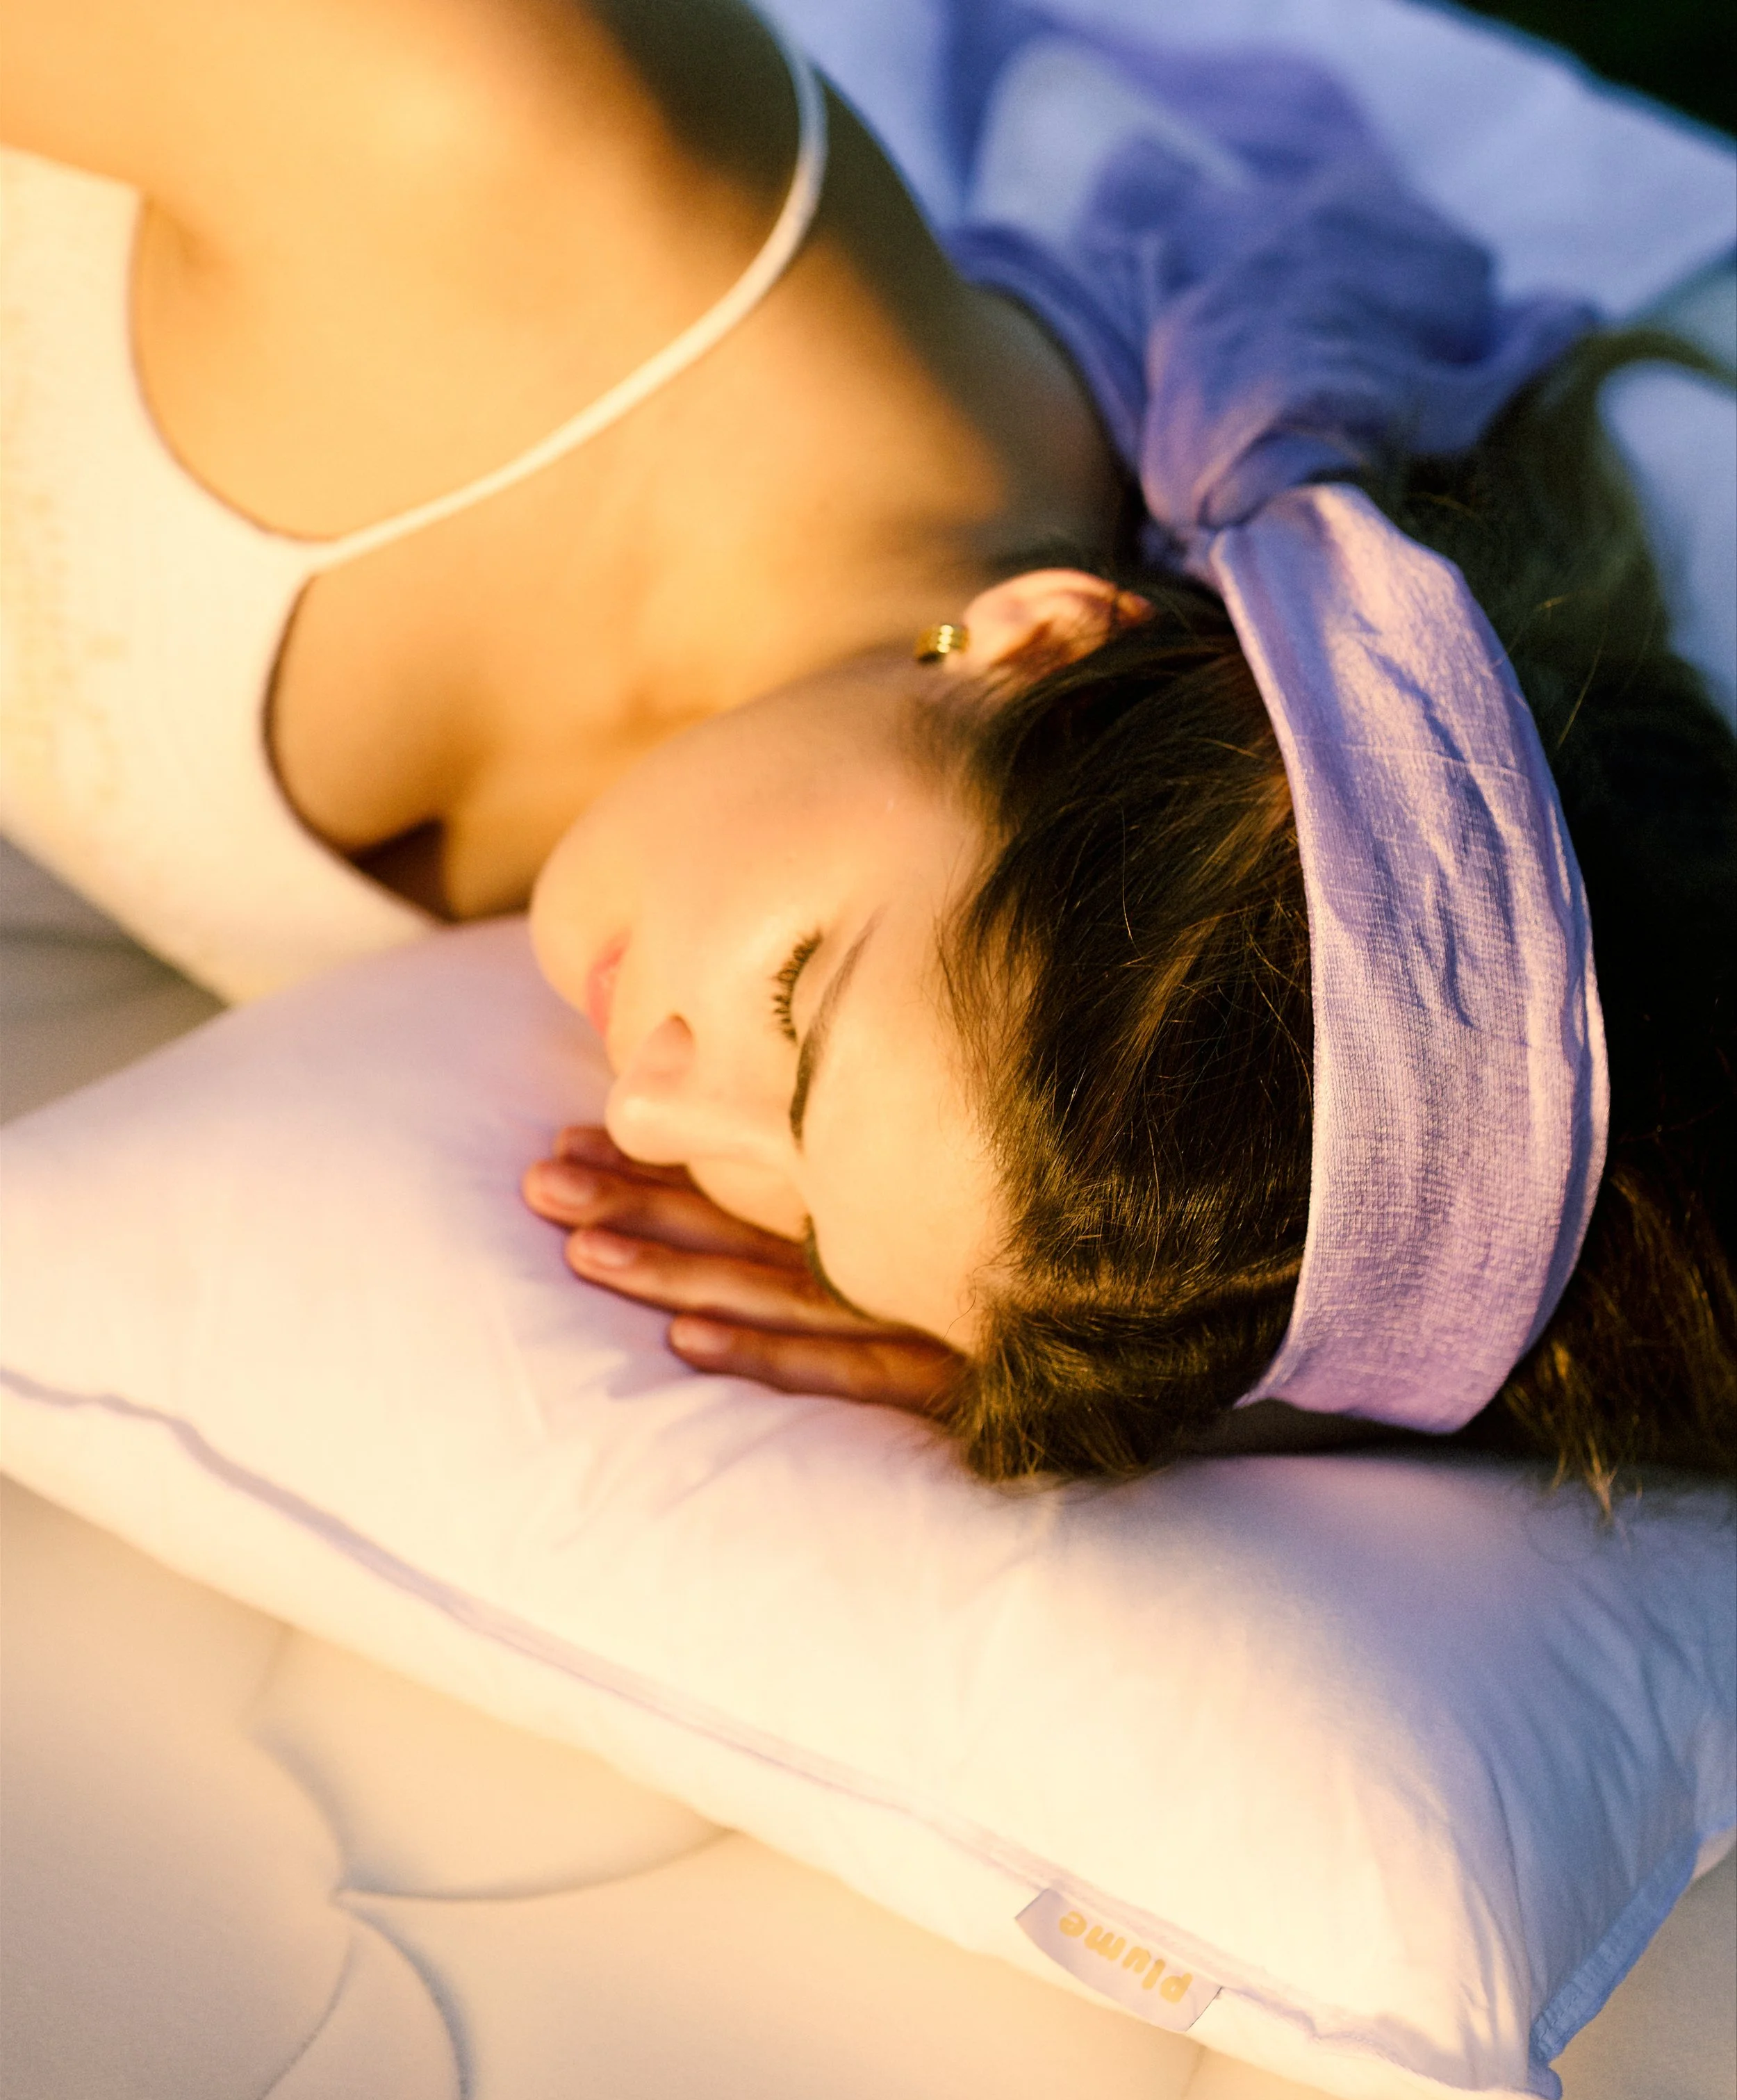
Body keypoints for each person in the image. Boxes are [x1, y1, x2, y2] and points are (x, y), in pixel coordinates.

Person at [3, 0, 1733, 1499]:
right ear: (1038, 640)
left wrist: (1074, 1321)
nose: (651, 1102)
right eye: (786, 1006)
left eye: (802, 1216)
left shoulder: (973, 1062)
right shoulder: (488, 131)